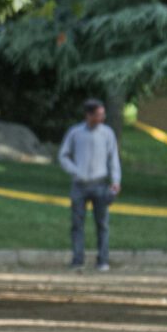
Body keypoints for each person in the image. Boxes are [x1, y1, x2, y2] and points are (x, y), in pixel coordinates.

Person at [58, 98, 121, 271]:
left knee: (102, 224)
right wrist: (75, 170)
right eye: (98, 115)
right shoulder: (75, 133)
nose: (102, 118)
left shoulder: (107, 133)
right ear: (89, 115)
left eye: (103, 114)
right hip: (79, 185)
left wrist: (116, 180)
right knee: (77, 223)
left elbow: (113, 158)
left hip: (100, 184)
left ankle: (103, 259)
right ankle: (78, 258)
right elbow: (63, 155)